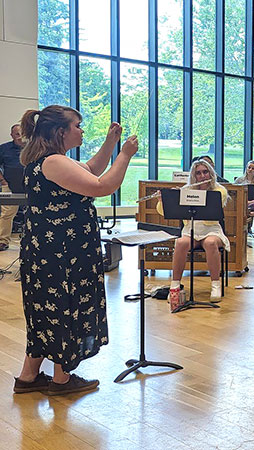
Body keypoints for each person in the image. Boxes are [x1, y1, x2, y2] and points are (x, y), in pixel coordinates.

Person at [14, 105, 138, 395]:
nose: (81, 131)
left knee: (47, 311)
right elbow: (102, 185)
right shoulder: (54, 162)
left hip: (51, 252)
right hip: (62, 254)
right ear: (61, 132)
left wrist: (111, 142)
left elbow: (92, 169)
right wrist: (125, 155)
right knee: (63, 309)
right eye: (77, 126)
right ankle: (61, 380)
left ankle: (28, 377)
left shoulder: (48, 160)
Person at [157, 159, 230, 306]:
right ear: (194, 176)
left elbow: (213, 207)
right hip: (191, 230)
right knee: (181, 242)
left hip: (211, 230)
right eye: (198, 173)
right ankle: (175, 286)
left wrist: (201, 191)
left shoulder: (219, 190)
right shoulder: (187, 189)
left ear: (210, 172)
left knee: (210, 243)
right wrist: (164, 200)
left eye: (205, 172)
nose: (202, 176)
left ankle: (216, 285)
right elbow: (164, 212)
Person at [0, 124, 25, 251]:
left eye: (22, 133)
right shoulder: (3, 148)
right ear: (12, 135)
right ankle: (3, 241)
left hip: (30, 187)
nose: (20, 137)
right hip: (9, 186)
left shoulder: (33, 148)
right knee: (6, 214)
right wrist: (3, 182)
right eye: (17, 134)